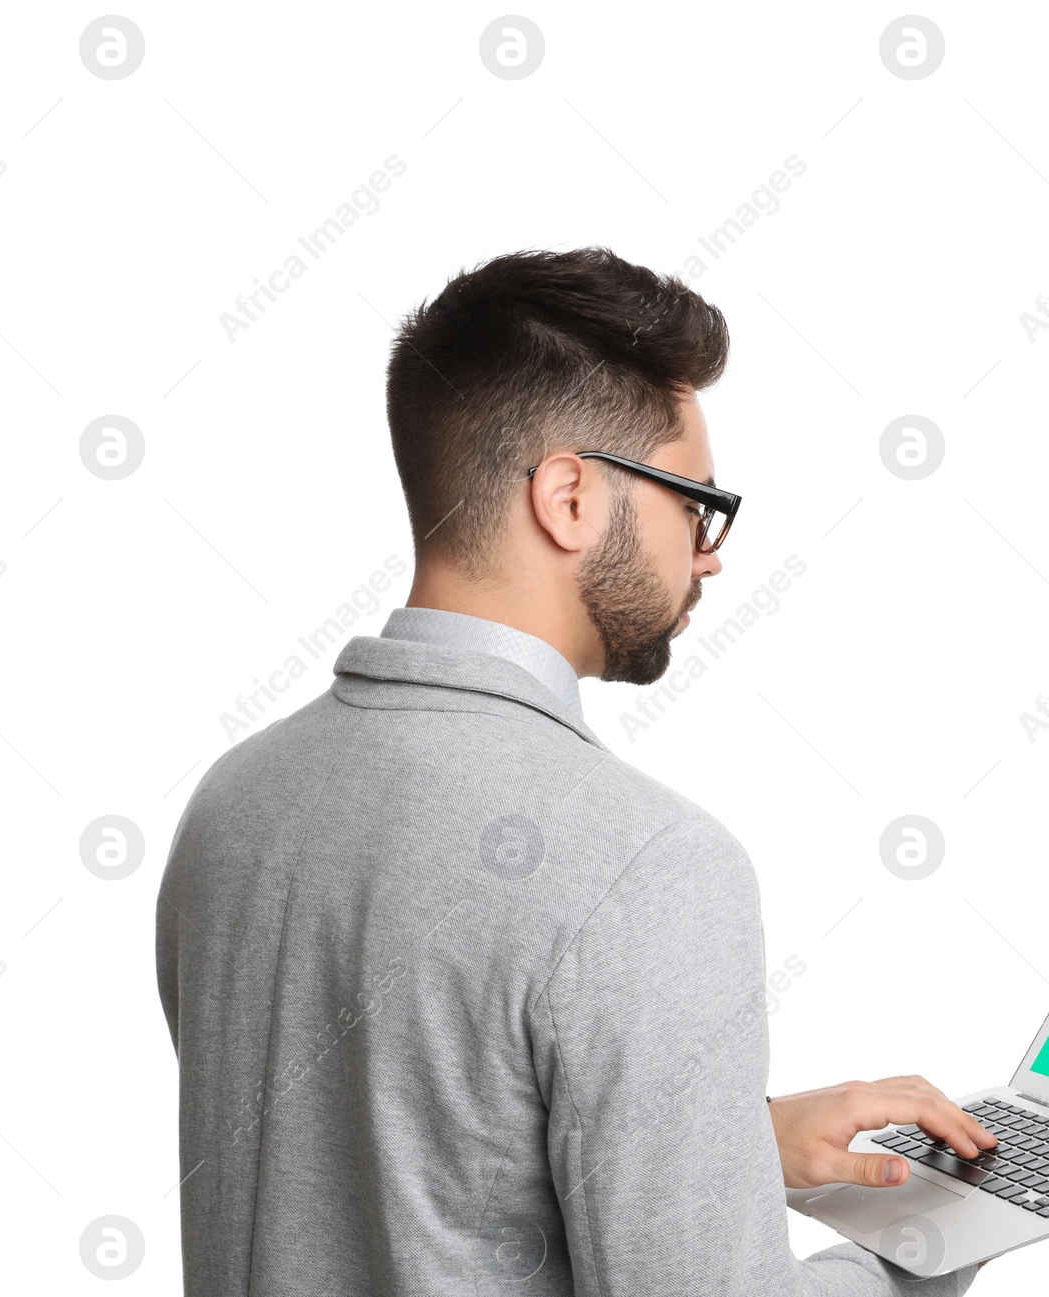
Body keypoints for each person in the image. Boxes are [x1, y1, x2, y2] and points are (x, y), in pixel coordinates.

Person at [156, 247, 993, 1294]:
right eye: (694, 500)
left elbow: (396, 1156)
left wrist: (718, 1146)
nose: (710, 551)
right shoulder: (647, 865)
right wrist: (920, 1253)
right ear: (568, 498)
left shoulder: (234, 804)